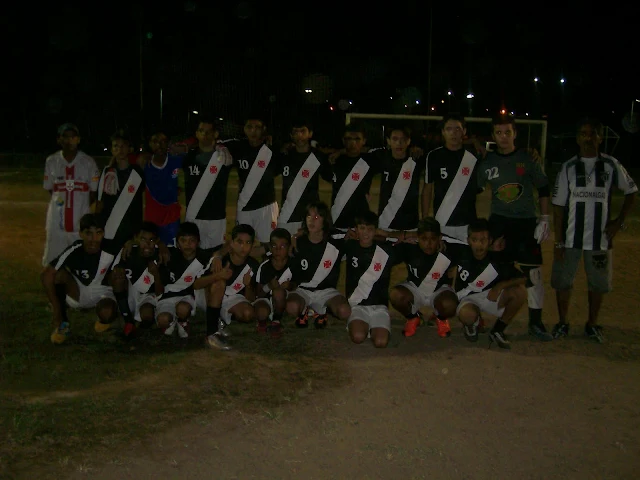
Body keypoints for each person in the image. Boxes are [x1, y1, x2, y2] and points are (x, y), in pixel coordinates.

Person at [551, 117, 637, 343]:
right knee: (563, 282)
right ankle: (563, 322)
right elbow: (558, 209)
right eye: (583, 134)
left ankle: (592, 324)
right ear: (578, 138)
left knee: (598, 284)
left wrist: (618, 222)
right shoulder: (568, 167)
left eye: (592, 134)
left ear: (600, 137)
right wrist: (558, 241)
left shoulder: (610, 165)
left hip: (600, 239)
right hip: (570, 239)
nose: (588, 138)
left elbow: (631, 191)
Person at [477, 114, 553, 341]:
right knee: (495, 271)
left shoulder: (528, 158)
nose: (503, 137)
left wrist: (545, 218)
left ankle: (536, 323)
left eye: (507, 132)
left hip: (525, 222)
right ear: (493, 136)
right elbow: (477, 188)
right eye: (499, 133)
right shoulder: (488, 162)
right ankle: (486, 316)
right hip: (499, 222)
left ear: (515, 134)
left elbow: (544, 188)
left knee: (534, 273)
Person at [41, 213, 119, 344]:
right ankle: (63, 322)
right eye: (88, 233)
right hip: (79, 293)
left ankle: (115, 315)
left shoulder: (111, 249)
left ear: (103, 233)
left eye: (98, 233)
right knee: (59, 275)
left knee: (107, 312)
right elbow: (46, 274)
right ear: (81, 234)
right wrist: (56, 310)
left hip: (103, 294)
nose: (93, 239)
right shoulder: (75, 249)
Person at [454, 219, 528, 350]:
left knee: (520, 292)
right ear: (468, 240)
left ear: (490, 241)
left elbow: (524, 278)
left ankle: (498, 330)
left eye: (483, 240)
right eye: (474, 239)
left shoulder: (497, 260)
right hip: (468, 298)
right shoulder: (461, 253)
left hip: (491, 296)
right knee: (467, 315)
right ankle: (473, 323)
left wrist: (500, 286)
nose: (479, 244)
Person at [421, 114, 482, 258]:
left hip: (467, 223)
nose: (453, 133)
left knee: (465, 266)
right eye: (449, 129)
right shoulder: (434, 156)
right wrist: (425, 221)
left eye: (457, 129)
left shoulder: (474, 156)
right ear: (443, 132)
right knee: (442, 267)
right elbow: (427, 189)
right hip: (442, 223)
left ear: (464, 131)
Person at [389, 217, 459, 338]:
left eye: (433, 239)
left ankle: (440, 318)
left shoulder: (449, 250)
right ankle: (413, 317)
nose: (429, 244)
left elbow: (469, 244)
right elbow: (382, 239)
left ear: (440, 238)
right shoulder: (409, 247)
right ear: (418, 237)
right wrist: (404, 237)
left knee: (450, 304)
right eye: (424, 239)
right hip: (414, 288)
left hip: (439, 291)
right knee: (395, 295)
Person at [286, 201, 351, 328]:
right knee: (291, 308)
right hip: (303, 290)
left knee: (344, 311)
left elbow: (357, 235)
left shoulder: (336, 240)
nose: (312, 220)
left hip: (327, 291)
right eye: (309, 216)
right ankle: (313, 310)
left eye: (316, 217)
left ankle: (319, 310)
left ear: (324, 219)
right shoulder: (298, 242)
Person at [42, 123, 100, 265]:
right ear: (59, 140)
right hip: (57, 219)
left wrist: (80, 205)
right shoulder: (52, 161)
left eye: (73, 137)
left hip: (80, 219)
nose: (69, 141)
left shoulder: (88, 162)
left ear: (78, 139)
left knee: (79, 259)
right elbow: (50, 188)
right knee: (54, 258)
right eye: (65, 137)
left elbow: (94, 191)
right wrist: (62, 202)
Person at [222, 116, 280, 251]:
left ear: (264, 130)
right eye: (249, 127)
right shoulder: (237, 147)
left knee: (270, 246)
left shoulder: (272, 151)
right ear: (244, 129)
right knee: (241, 246)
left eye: (257, 127)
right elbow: (217, 144)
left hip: (266, 206)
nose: (253, 131)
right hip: (244, 206)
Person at [198, 224, 260, 350]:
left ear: (252, 245)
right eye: (239, 242)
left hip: (231, 296)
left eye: (248, 242)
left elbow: (250, 299)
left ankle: (218, 318)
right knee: (219, 283)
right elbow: (196, 284)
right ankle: (211, 334)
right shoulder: (220, 260)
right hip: (206, 295)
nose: (243, 247)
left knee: (248, 313)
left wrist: (248, 286)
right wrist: (217, 276)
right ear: (231, 243)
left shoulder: (253, 265)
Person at [343, 211, 398, 348]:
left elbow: (414, 237)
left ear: (376, 231)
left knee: (381, 342)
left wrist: (386, 234)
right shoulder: (350, 245)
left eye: (370, 229)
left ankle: (374, 327)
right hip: (358, 305)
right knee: (358, 337)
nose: (366, 233)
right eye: (362, 228)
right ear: (356, 230)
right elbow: (326, 233)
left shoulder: (386, 251)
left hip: (379, 306)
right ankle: (363, 326)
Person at [155, 222, 215, 339]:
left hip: (186, 297)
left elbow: (219, 252)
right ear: (177, 243)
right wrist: (161, 244)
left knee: (182, 309)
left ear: (198, 242)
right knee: (163, 320)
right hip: (167, 297)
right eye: (183, 240)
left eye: (192, 240)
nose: (188, 244)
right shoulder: (168, 255)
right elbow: (149, 245)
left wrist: (217, 258)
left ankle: (183, 321)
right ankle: (172, 321)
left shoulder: (203, 256)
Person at [182, 119, 233, 250]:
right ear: (196, 133)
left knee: (215, 257)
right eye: (201, 131)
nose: (204, 134)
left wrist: (220, 145)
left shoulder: (224, 155)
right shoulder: (188, 157)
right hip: (194, 215)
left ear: (215, 134)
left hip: (216, 218)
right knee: (192, 255)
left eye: (208, 131)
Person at [276, 119, 332, 235]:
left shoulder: (319, 157)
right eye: (295, 132)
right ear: (291, 135)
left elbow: (330, 178)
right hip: (287, 213)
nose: (299, 135)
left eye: (303, 131)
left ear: (310, 134)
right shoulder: (284, 155)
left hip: (310, 215)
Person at [110, 222, 164, 337]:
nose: (147, 244)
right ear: (136, 239)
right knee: (118, 276)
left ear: (156, 241)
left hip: (148, 296)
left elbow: (160, 293)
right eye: (143, 240)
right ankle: (128, 321)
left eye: (151, 240)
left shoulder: (161, 256)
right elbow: (111, 278)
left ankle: (142, 330)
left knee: (147, 315)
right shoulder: (128, 251)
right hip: (131, 292)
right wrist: (118, 268)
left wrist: (156, 275)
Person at [97, 131, 145, 252]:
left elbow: (140, 202)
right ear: (112, 149)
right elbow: (100, 202)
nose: (120, 149)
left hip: (130, 231)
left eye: (123, 146)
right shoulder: (107, 172)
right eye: (116, 146)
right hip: (109, 228)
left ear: (129, 148)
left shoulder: (138, 172)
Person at [329, 124, 380, 231]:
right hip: (337, 218)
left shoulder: (370, 161)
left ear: (364, 141)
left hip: (361, 221)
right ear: (343, 140)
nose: (352, 143)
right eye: (348, 139)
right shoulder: (334, 160)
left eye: (357, 139)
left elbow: (388, 151)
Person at [377, 125, 424, 236]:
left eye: (403, 139)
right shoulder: (381, 157)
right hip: (385, 223)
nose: (399, 143)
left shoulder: (417, 159)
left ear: (409, 141)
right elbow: (357, 152)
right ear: (388, 141)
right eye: (395, 139)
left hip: (410, 225)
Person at [139, 130, 183, 247]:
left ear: (168, 143)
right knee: (152, 252)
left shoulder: (176, 160)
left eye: (163, 141)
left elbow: (194, 147)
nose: (159, 144)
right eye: (155, 141)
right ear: (149, 144)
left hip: (171, 217)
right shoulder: (143, 163)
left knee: (172, 251)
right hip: (153, 217)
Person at [254, 228, 293, 337]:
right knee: (262, 311)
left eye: (282, 246)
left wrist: (289, 286)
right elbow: (259, 293)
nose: (278, 250)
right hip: (266, 299)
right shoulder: (265, 266)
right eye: (274, 246)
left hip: (282, 299)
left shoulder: (293, 264)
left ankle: (277, 320)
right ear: (270, 247)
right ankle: (262, 321)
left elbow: (298, 286)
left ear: (289, 247)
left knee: (278, 292)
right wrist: (269, 286)